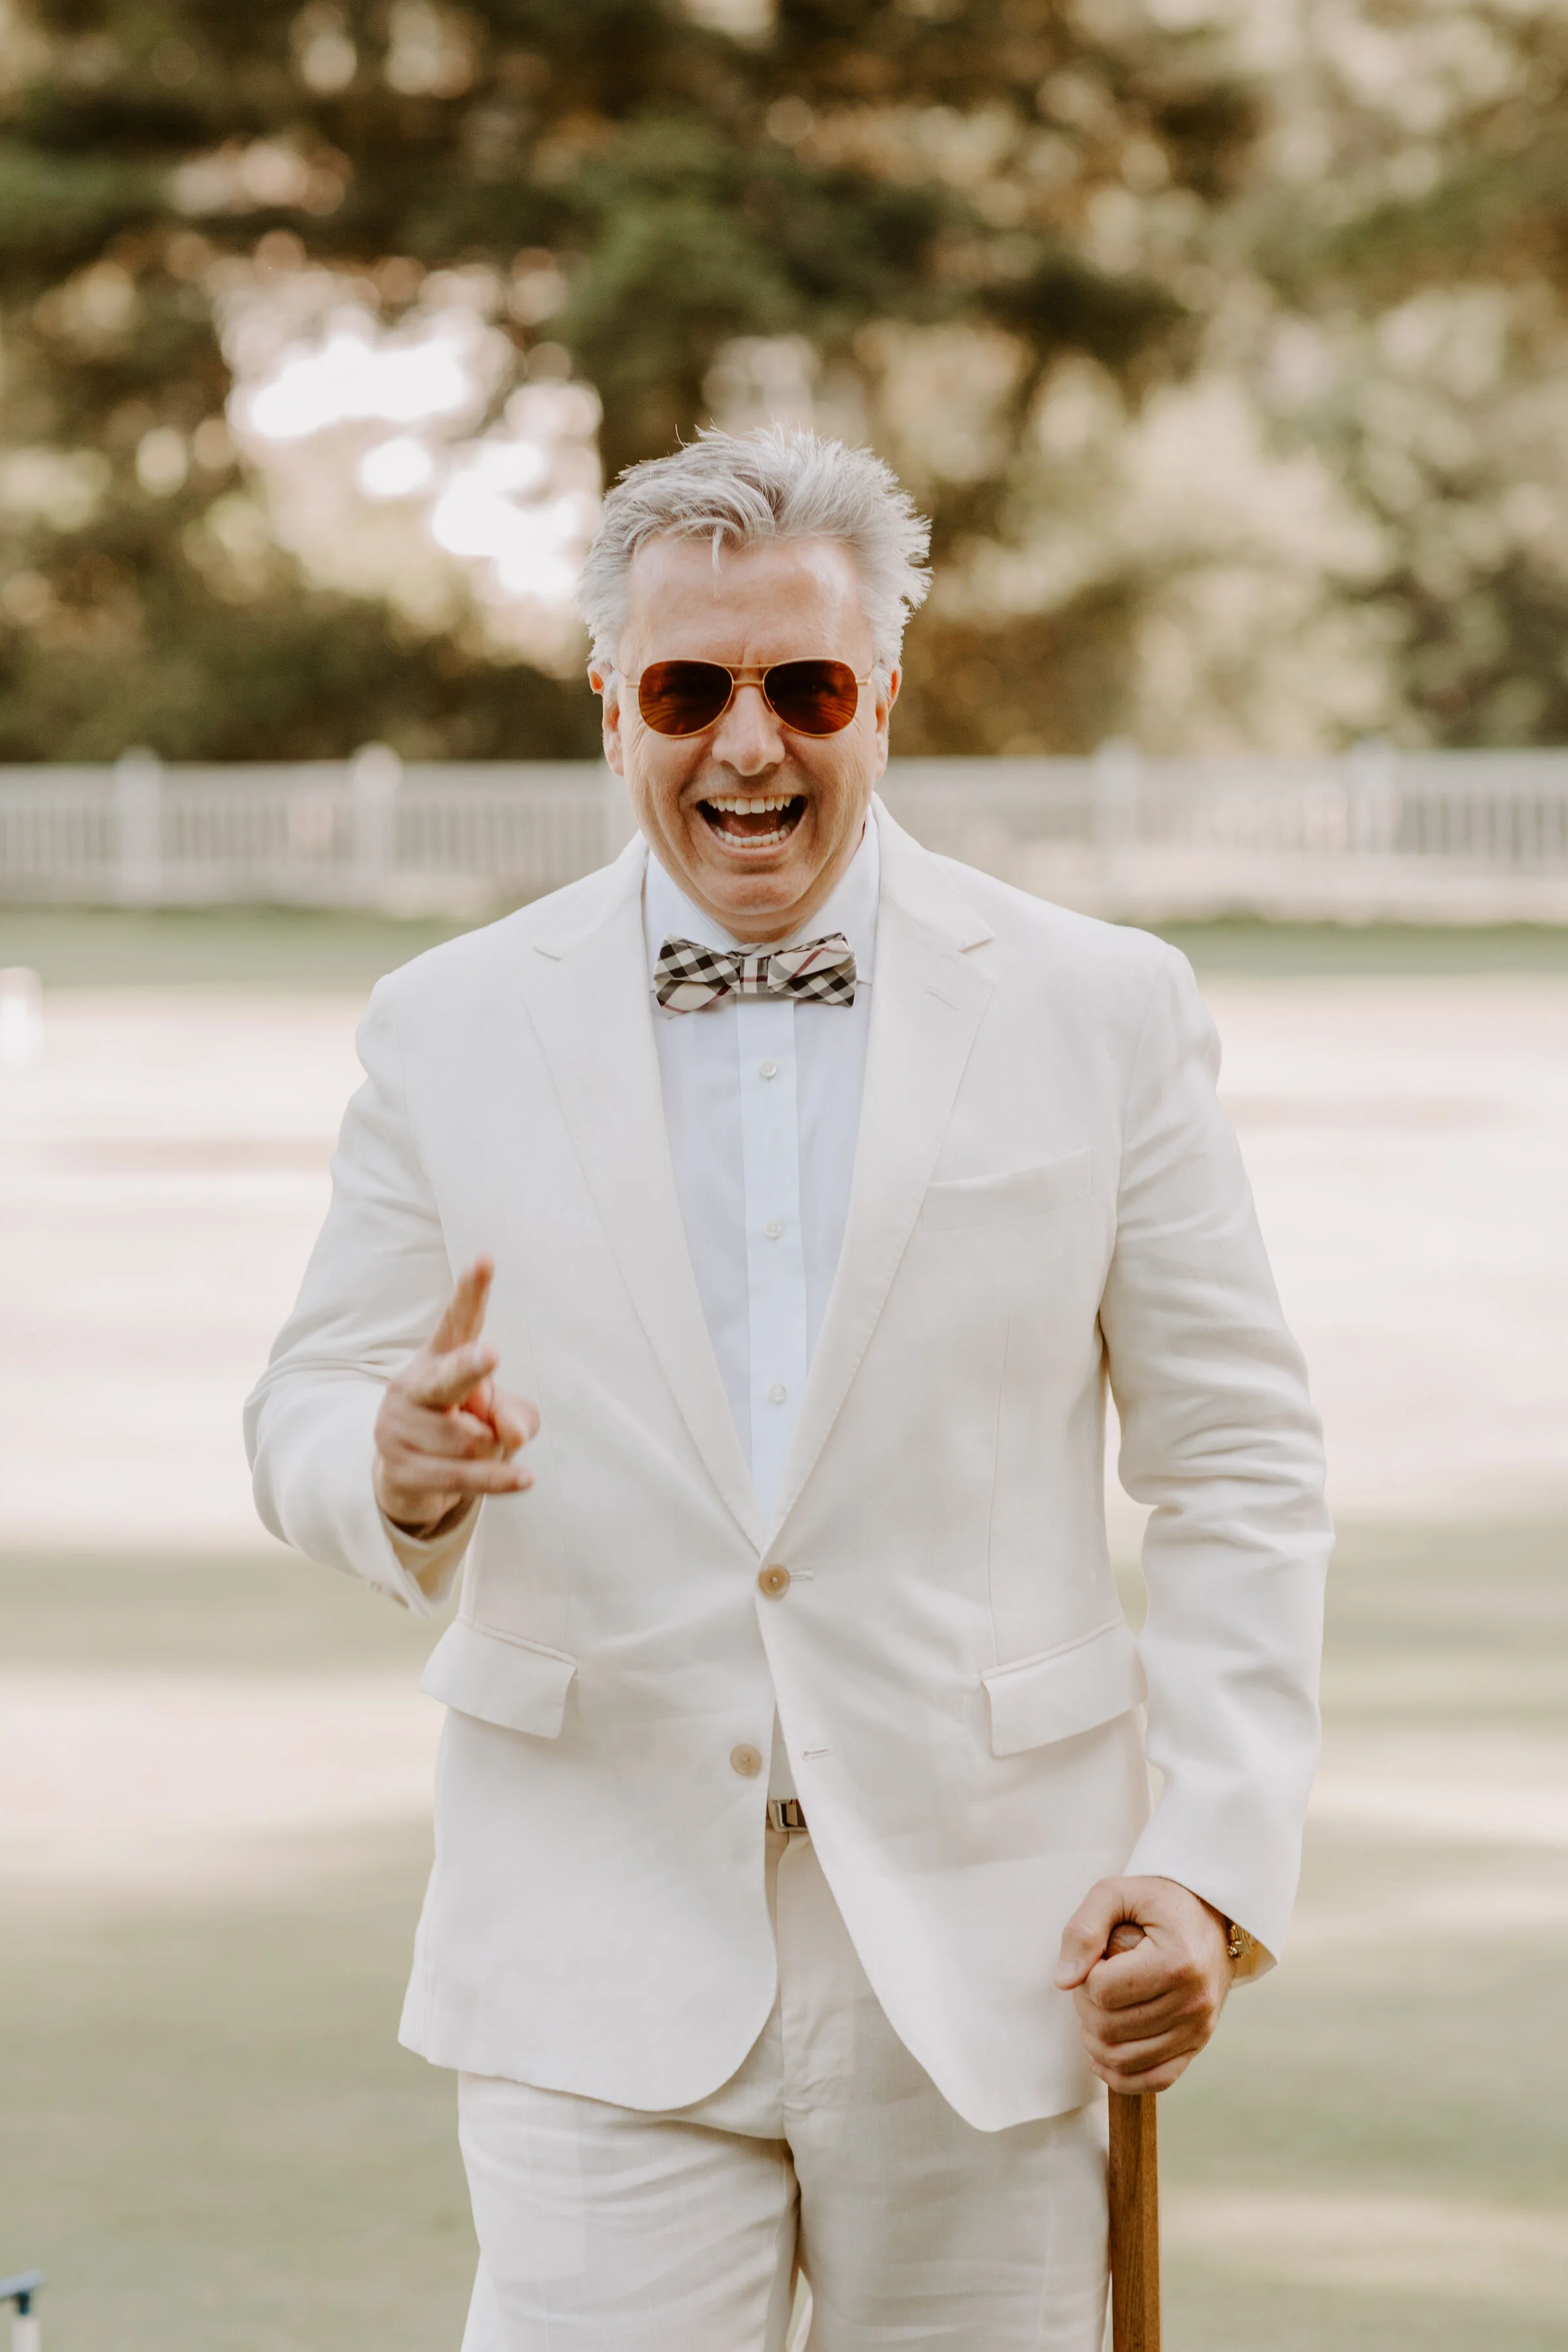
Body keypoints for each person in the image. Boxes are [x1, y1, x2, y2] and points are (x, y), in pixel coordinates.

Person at [245, 426, 1330, 2350]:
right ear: (612, 706)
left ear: (883, 697)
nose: (748, 746)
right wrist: (390, 1464)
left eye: (805, 688)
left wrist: (1206, 1864)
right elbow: (305, 1405)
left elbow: (1239, 1461)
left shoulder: (1103, 1009)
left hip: (1002, 1954)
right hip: (588, 1951)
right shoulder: (449, 1025)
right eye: (689, 691)